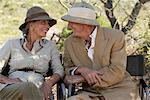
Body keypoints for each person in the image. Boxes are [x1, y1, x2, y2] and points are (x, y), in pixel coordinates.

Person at [61, 2, 141, 100]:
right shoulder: (69, 43)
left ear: (85, 24)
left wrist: (83, 78)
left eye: (72, 22)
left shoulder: (115, 37)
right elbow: (67, 68)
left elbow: (117, 70)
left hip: (119, 90)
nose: (69, 26)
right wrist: (80, 70)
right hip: (90, 92)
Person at [0, 6, 64, 100]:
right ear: (31, 25)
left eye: (48, 24)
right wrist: (8, 80)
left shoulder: (50, 46)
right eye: (43, 22)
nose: (47, 27)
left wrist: (48, 83)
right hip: (12, 90)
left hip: (38, 89)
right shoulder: (12, 44)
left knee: (30, 88)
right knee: (27, 87)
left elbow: (59, 70)